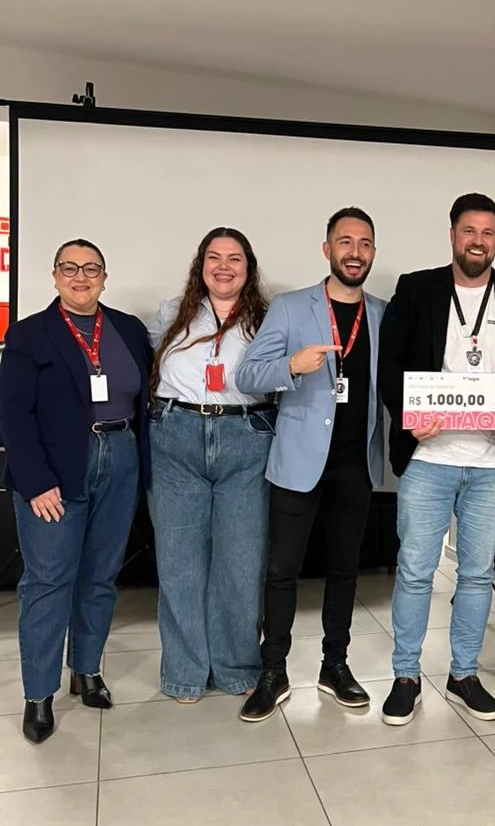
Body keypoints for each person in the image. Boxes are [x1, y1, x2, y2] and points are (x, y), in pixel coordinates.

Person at [378, 192, 495, 726]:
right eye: (469, 231)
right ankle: (406, 675)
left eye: (488, 233)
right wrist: (407, 414)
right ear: (453, 235)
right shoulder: (417, 289)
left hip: (493, 463)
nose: (479, 241)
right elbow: (391, 366)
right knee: (415, 571)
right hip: (430, 456)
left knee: (475, 576)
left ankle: (463, 673)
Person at [0, 239, 152, 743]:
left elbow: (145, 404)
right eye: (70, 268)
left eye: (91, 269)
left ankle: (86, 670)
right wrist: (36, 480)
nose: (80, 276)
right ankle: (38, 694)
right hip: (54, 472)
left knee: (100, 576)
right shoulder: (27, 335)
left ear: (105, 277)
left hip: (120, 459)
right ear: (55, 275)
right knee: (47, 583)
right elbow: (13, 416)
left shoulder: (128, 329)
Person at [237, 207, 385, 722]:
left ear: (372, 253)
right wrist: (290, 368)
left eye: (365, 243)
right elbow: (248, 375)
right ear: (327, 250)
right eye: (345, 242)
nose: (355, 252)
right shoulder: (291, 307)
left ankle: (335, 666)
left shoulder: (384, 313)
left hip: (356, 466)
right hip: (299, 462)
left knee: (345, 571)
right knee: (282, 571)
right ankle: (272, 671)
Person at [147, 228, 273, 703]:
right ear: (201, 266)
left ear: (249, 267)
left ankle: (238, 667)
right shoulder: (170, 315)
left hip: (247, 439)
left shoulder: (267, 318)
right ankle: (184, 672)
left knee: (241, 564)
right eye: (214, 257)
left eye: (235, 258)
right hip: (176, 439)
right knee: (179, 563)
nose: (224, 266)